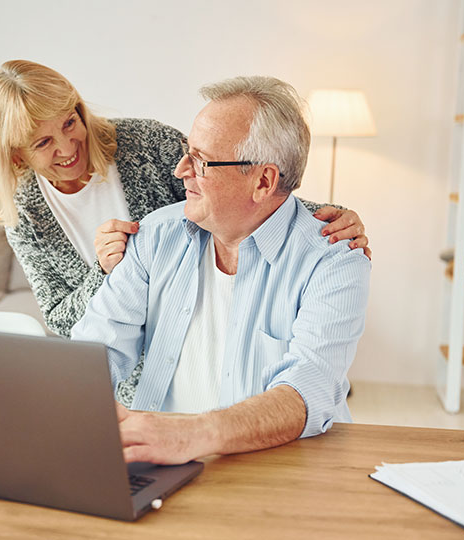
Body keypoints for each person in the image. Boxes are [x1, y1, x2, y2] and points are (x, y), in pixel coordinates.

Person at [0, 60, 370, 403]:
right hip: (136, 393)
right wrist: (105, 272)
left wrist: (321, 219)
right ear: (17, 153)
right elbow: (73, 329)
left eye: (70, 122)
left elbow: (239, 186)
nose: (68, 146)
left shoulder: (145, 143)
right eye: (44, 142)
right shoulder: (26, 210)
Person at [70, 75, 371, 465]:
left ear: (263, 181)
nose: (181, 171)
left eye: (201, 160)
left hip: (279, 469)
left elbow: (307, 390)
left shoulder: (334, 259)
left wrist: (192, 435)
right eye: (186, 153)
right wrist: (83, 402)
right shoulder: (155, 236)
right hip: (158, 462)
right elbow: (94, 352)